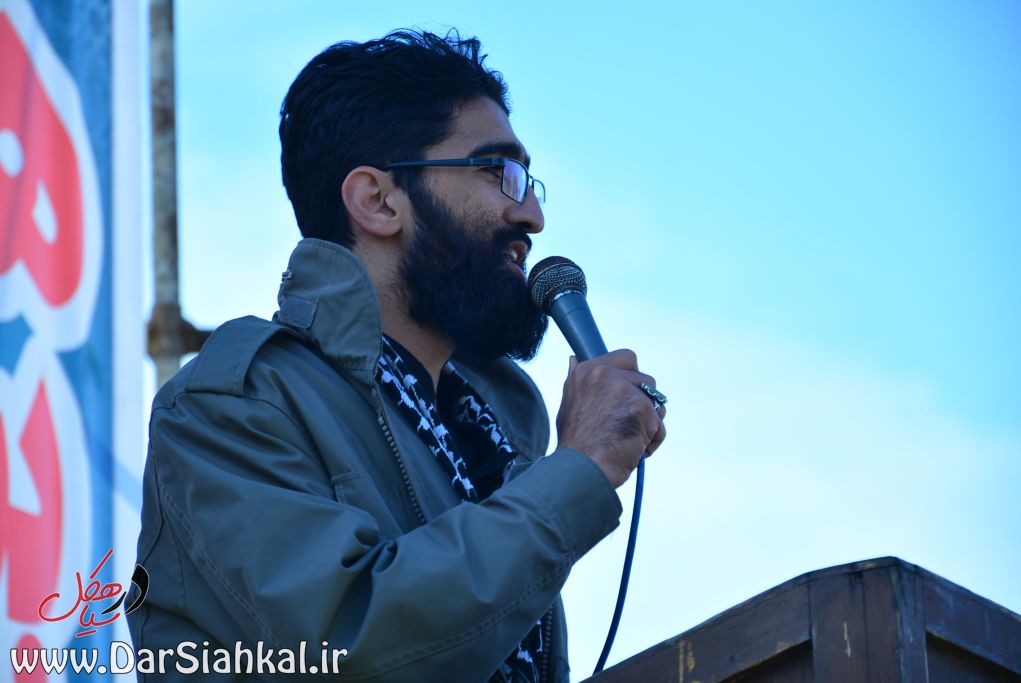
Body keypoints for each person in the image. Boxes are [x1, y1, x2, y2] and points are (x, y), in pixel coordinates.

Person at [129, 29, 666, 682]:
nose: (531, 214)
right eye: (498, 171)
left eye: (528, 181)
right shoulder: (234, 403)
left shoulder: (491, 433)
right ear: (378, 201)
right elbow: (356, 642)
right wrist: (580, 469)